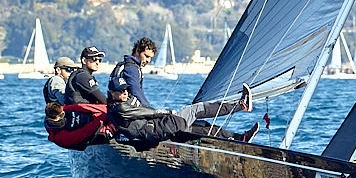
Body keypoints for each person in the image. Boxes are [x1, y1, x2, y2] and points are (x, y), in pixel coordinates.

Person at [107, 77, 259, 145]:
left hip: (159, 130)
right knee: (195, 109)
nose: (125, 93)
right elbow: (147, 113)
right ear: (112, 93)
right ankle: (241, 105)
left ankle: (240, 138)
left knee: (202, 127)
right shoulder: (120, 108)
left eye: (126, 90)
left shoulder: (114, 108)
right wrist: (168, 112)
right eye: (121, 91)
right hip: (161, 127)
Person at [44, 101, 116, 150]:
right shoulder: (59, 137)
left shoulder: (65, 110)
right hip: (91, 135)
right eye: (62, 114)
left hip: (95, 119)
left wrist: (109, 109)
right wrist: (102, 118)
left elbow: (84, 107)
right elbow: (84, 132)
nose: (64, 114)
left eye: (63, 112)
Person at [109, 37, 157, 108]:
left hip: (116, 108)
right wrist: (151, 110)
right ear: (137, 51)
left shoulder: (124, 64)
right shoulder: (131, 69)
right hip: (125, 111)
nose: (148, 60)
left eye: (150, 58)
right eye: (146, 56)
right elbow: (136, 92)